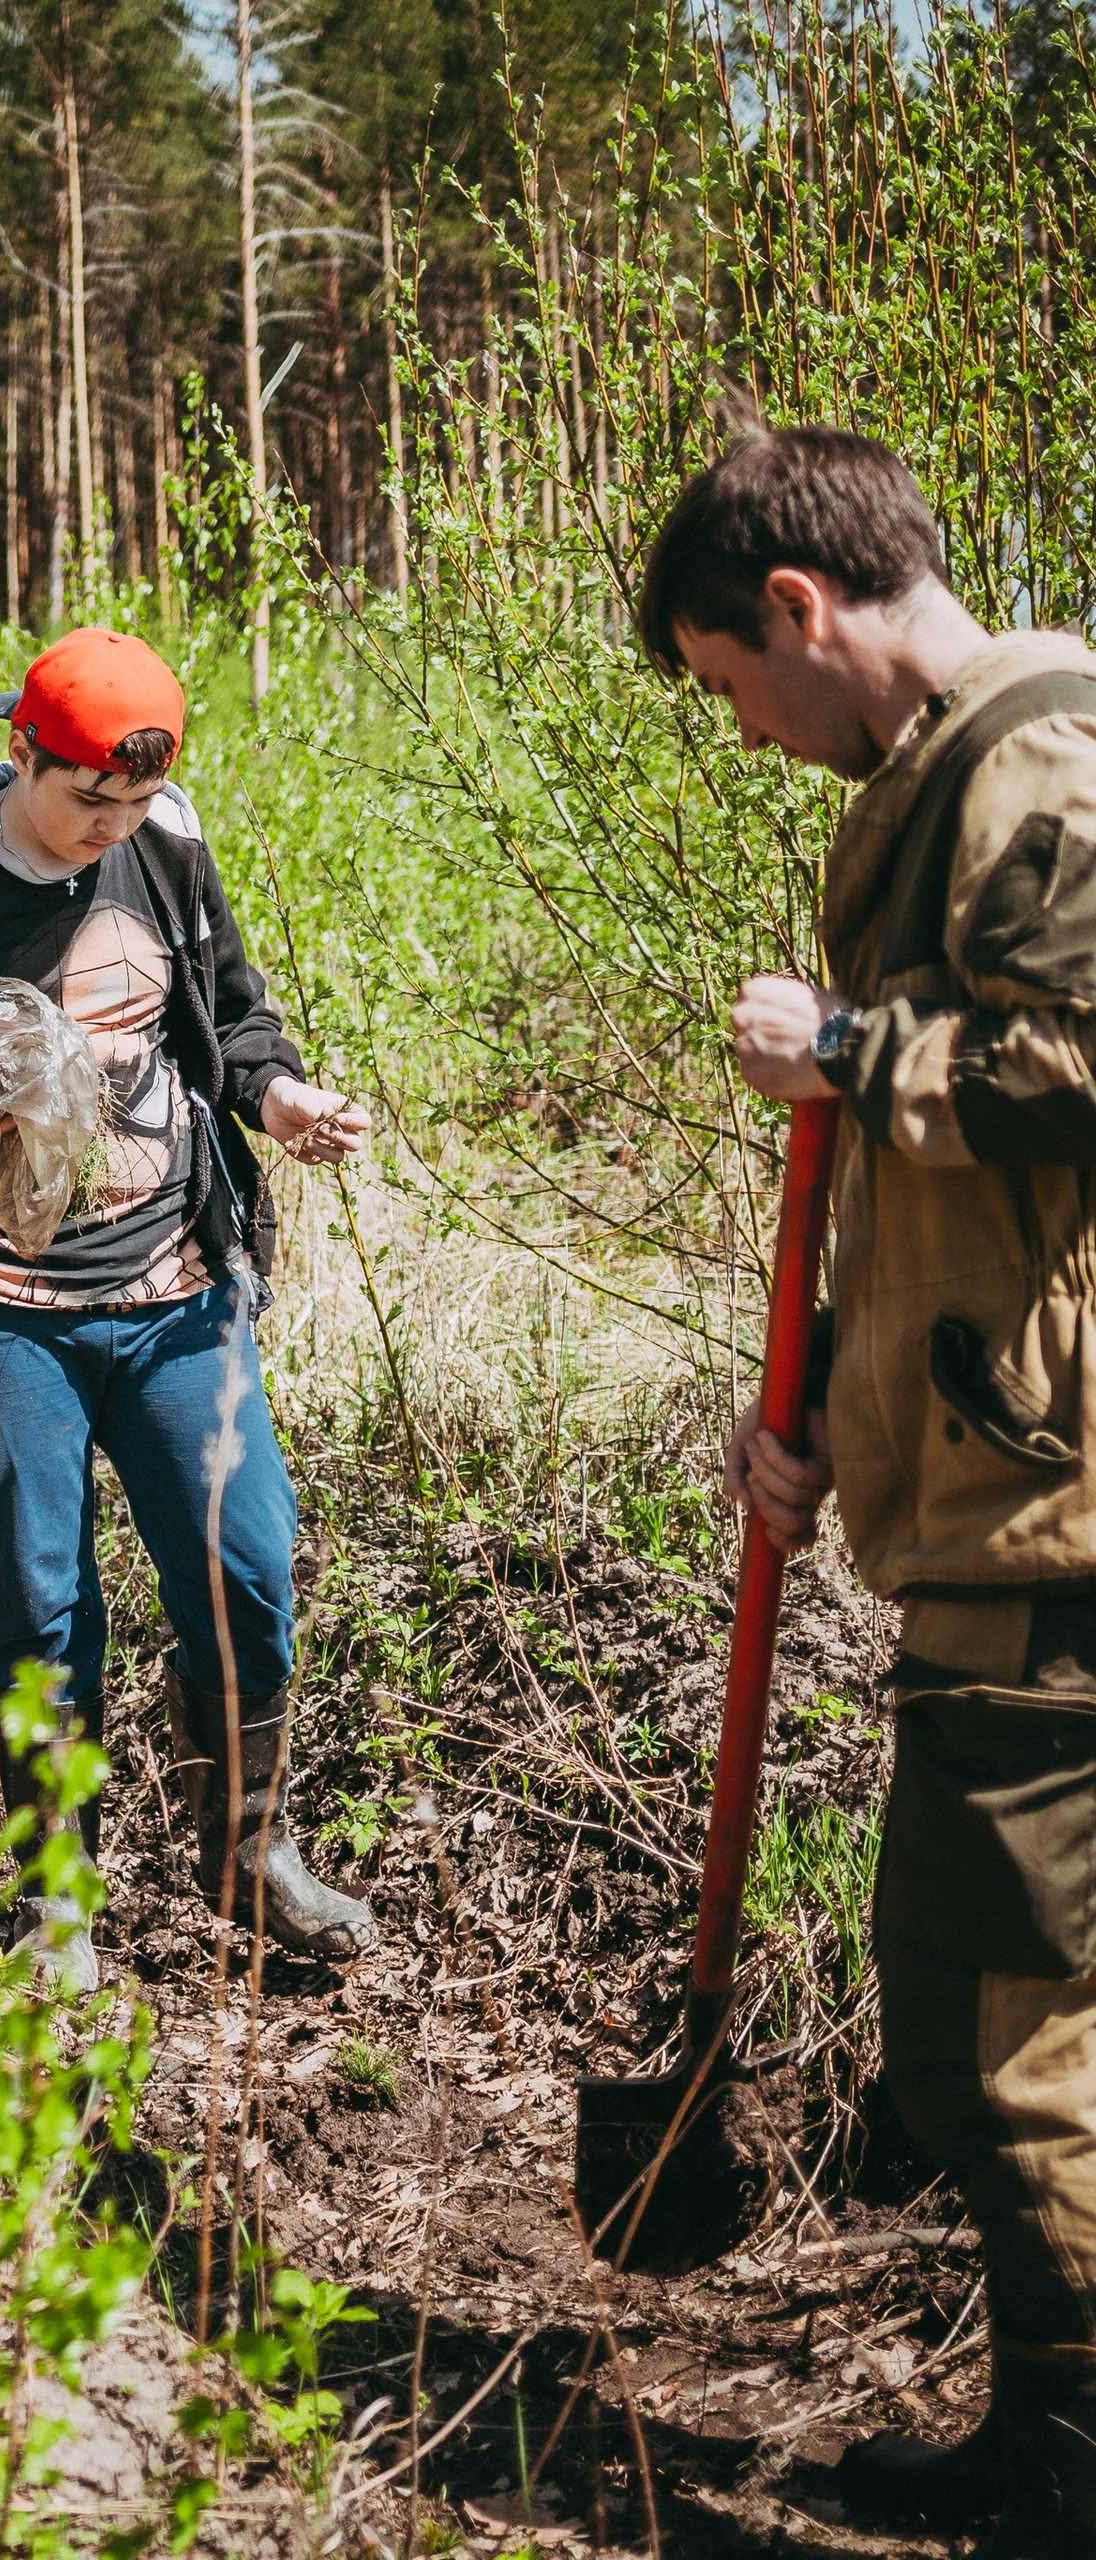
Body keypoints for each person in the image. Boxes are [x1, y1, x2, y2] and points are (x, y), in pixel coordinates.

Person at [644, 424, 1096, 2557]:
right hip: (986, 1500)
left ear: (798, 607)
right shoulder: (935, 789)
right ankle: (1044, 2435)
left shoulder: (1036, 762)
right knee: (965, 2017)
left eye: (733, 684)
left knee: (1012, 2038)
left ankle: (1067, 2479)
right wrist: (825, 1396)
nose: (746, 730)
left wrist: (846, 1054)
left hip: (1055, 1527)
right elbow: (959, 1208)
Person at [0, 625, 380, 1992]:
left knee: (247, 1566)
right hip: (2, 1304)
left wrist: (282, 1099)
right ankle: (59, 1899)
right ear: (22, 753)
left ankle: (250, 1851)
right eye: (87, 797)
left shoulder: (167, 850)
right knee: (41, 1601)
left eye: (134, 799)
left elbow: (232, 1019)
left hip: (174, 1288)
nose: (112, 822)